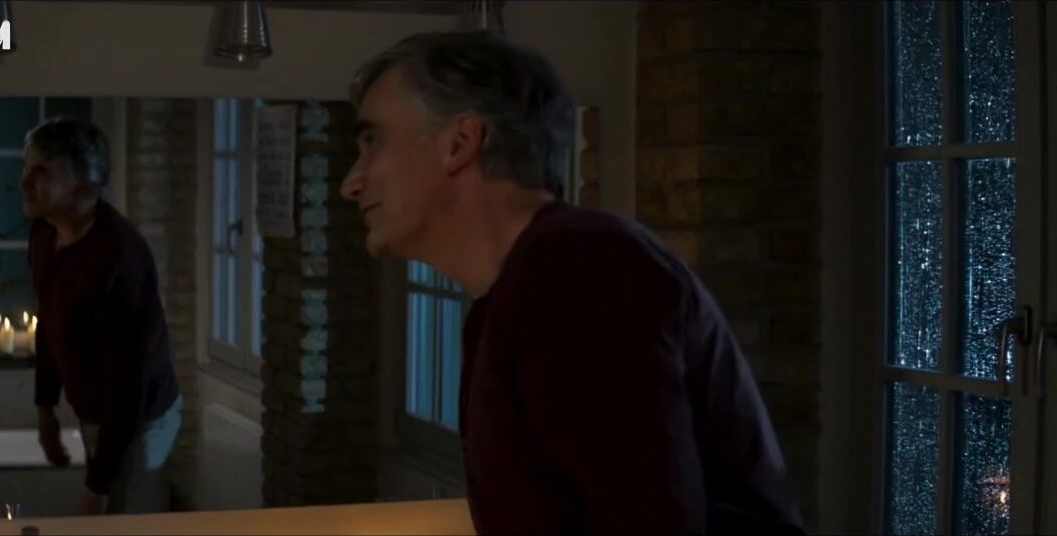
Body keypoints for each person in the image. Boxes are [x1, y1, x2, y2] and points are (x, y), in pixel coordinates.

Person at [340, 31, 805, 534]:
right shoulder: (521, 287)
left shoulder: (579, 269)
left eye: (372, 142)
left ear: (460, 142)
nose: (351, 182)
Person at [21, 117, 182, 515]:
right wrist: (45, 409)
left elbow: (129, 388)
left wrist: (97, 486)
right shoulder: (44, 234)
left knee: (124, 521)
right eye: (26, 168)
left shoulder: (119, 261)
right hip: (98, 412)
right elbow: (49, 321)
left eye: (41, 173)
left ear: (83, 187)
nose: (25, 183)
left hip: (141, 420)